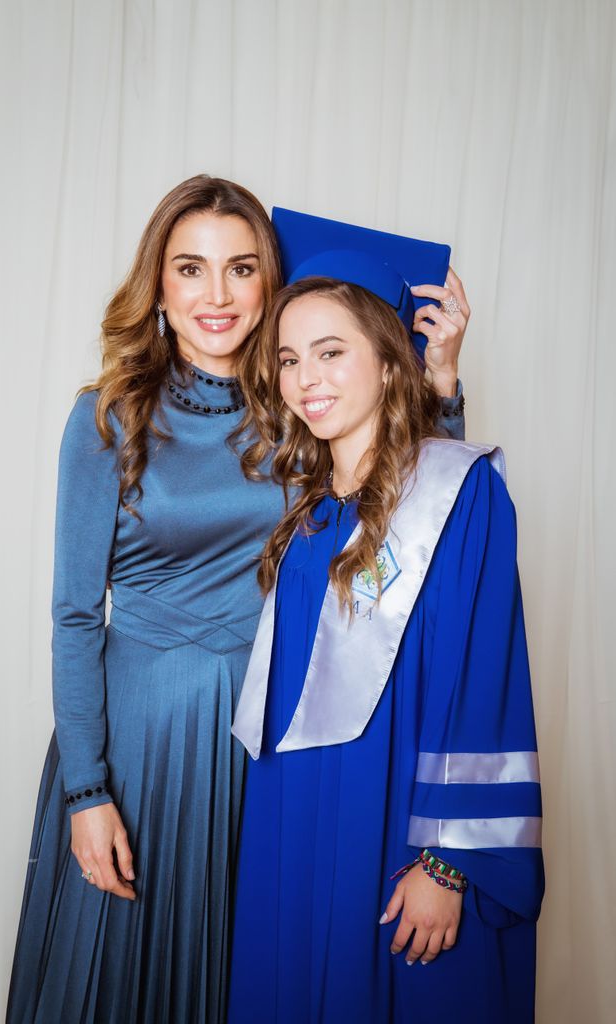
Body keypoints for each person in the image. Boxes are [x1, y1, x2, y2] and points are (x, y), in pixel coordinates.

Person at [6, 176, 469, 1024]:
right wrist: (86, 792)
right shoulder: (109, 418)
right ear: (160, 284)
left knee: (242, 981)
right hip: (137, 746)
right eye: (190, 269)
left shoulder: (298, 412)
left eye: (241, 269)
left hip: (262, 745)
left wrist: (438, 384)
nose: (216, 296)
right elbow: (74, 617)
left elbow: (403, 522)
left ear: (270, 285)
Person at [229, 252, 543, 1023]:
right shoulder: (309, 515)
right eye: (289, 359)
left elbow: (482, 674)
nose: (308, 380)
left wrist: (448, 861)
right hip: (297, 817)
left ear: (386, 357)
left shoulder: (462, 494)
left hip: (397, 820)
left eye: (331, 353)